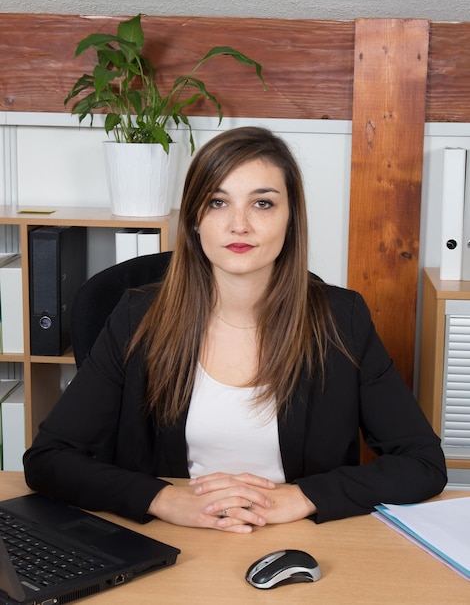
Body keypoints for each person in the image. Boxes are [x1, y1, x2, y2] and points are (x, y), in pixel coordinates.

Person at [23, 126, 447, 534]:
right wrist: (164, 499)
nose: (239, 224)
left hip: (300, 538)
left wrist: (303, 497)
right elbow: (48, 459)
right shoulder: (138, 317)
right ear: (193, 220)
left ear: (291, 219)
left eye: (262, 203)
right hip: (175, 540)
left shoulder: (341, 320)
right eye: (217, 202)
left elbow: (423, 463)